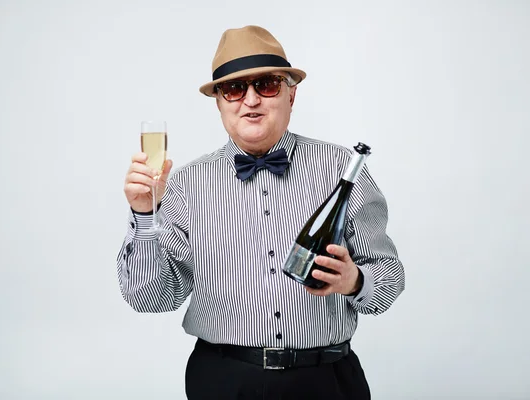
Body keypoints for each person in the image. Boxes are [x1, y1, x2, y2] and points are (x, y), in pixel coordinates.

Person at [117, 25, 405, 400]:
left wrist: (354, 281)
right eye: (234, 89)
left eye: (266, 84)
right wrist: (144, 215)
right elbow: (151, 297)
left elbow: (389, 279)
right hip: (223, 382)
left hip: (328, 382)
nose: (250, 100)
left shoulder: (342, 169)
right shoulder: (185, 185)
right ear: (219, 102)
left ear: (291, 94)